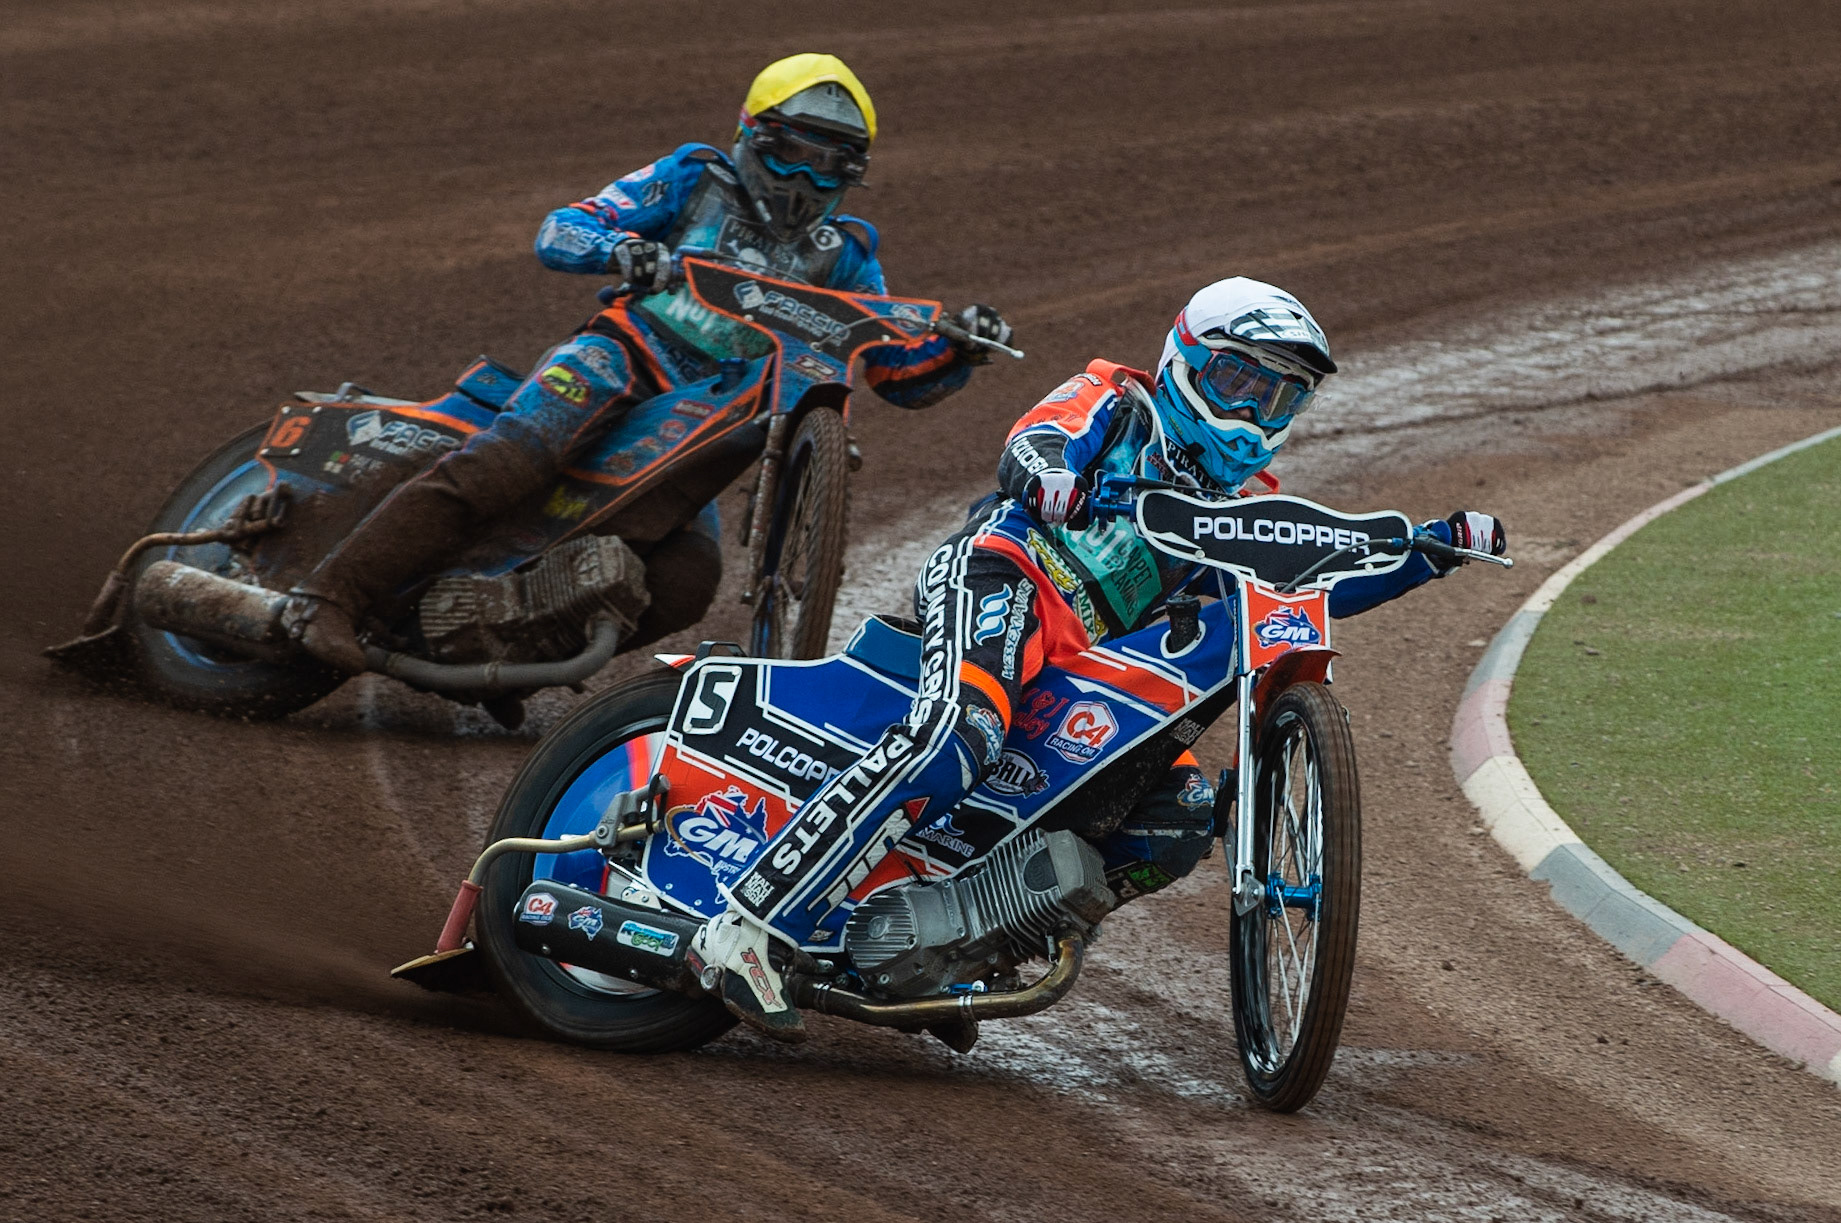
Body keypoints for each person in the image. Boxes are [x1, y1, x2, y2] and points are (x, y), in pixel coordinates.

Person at [691, 276, 1508, 1042]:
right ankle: (749, 925)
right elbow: (1036, 438)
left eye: (1278, 393)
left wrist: (1430, 549)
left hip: (1091, 666)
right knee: (959, 734)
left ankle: (955, 951)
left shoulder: (1256, 503)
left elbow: (1311, 587)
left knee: (1178, 813)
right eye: (1236, 380)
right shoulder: (1117, 402)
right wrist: (1052, 477)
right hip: (1007, 575)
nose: (1252, 408)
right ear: (1183, 360)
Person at [292, 53, 1012, 672]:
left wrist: (957, 348)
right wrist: (620, 249)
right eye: (792, 151)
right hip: (620, 360)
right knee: (506, 463)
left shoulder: (845, 253)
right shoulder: (694, 178)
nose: (804, 178)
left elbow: (895, 369)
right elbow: (563, 227)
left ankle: (510, 656)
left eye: (830, 165)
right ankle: (329, 595)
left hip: (706, 421)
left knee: (686, 580)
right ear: (752, 134)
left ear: (852, 175)